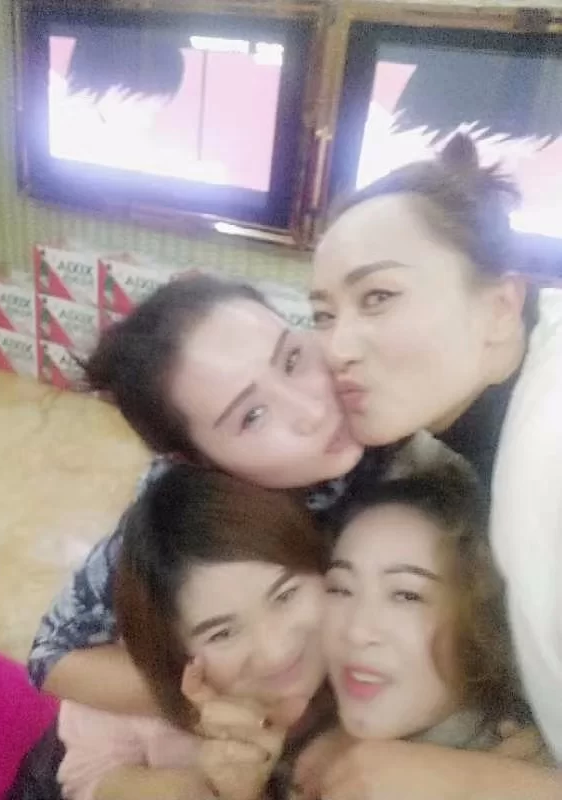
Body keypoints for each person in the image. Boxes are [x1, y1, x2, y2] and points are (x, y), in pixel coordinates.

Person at [311, 135, 562, 770]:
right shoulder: (450, 435)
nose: (336, 348)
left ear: (500, 307)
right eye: (323, 315)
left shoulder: (546, 456)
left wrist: (467, 780)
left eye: (378, 297)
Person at [28, 275, 364, 715]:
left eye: (292, 359)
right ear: (195, 460)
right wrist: (233, 702)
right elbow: (51, 658)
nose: (313, 410)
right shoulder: (180, 521)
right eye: (252, 416)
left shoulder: (376, 398)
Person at [56, 464, 331, 800]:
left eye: (285, 596)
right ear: (173, 645)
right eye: (222, 634)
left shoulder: (371, 639)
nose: (275, 652)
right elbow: (89, 776)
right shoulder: (120, 686)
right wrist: (212, 789)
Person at [293, 468, 559, 800]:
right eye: (341, 589)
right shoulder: (288, 744)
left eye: (406, 595)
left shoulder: (532, 763)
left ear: (482, 616)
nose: (356, 631)